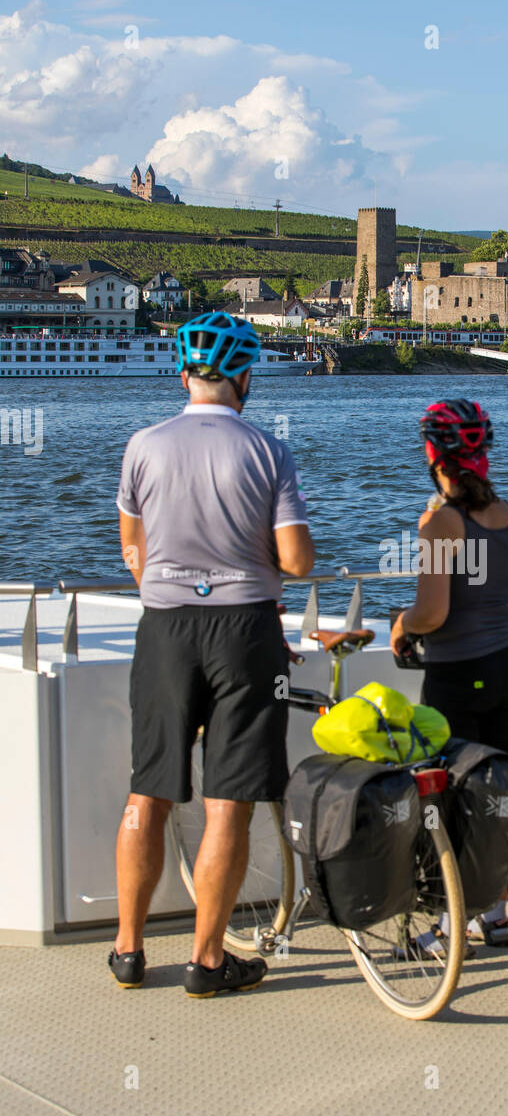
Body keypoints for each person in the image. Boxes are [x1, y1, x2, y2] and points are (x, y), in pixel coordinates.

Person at [109, 312, 314, 997]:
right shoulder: (267, 451)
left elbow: (132, 549)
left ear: (184, 372)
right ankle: (205, 961)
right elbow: (295, 558)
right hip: (245, 630)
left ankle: (129, 952)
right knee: (229, 803)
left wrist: (171, 588)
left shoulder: (143, 445)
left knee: (150, 790)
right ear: (245, 376)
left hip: (164, 627)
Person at [390, 398, 508, 947]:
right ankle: (492, 912)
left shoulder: (441, 523)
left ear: (432, 454)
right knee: (494, 790)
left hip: (456, 671)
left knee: (449, 797)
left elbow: (434, 612)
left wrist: (401, 625)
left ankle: (450, 926)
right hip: (505, 665)